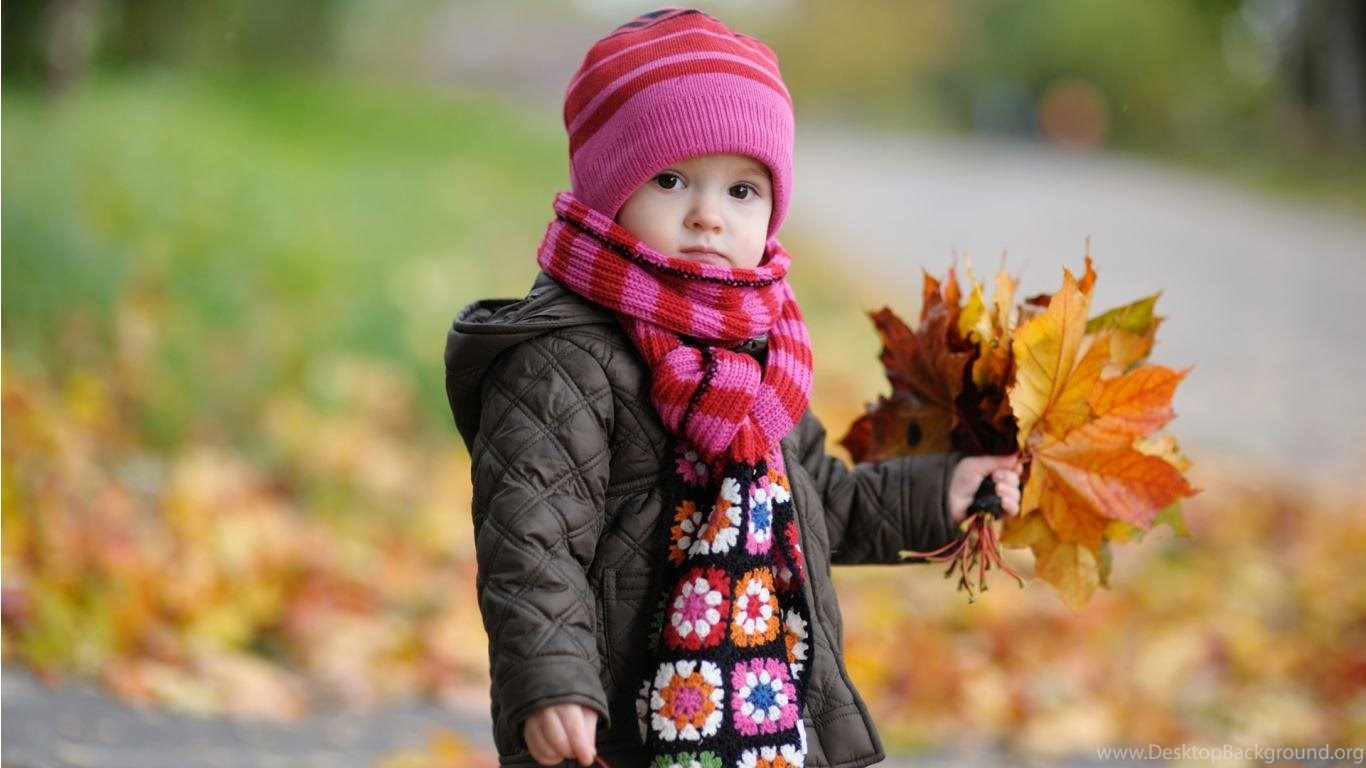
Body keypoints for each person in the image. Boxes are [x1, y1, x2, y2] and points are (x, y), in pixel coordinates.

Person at [443, 8, 1023, 768]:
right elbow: (532, 540)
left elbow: (819, 503)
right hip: (624, 721)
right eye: (672, 178)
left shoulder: (759, 355)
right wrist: (552, 683)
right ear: (607, 190)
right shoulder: (565, 357)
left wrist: (937, 494)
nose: (709, 216)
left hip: (764, 712)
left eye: (742, 191)